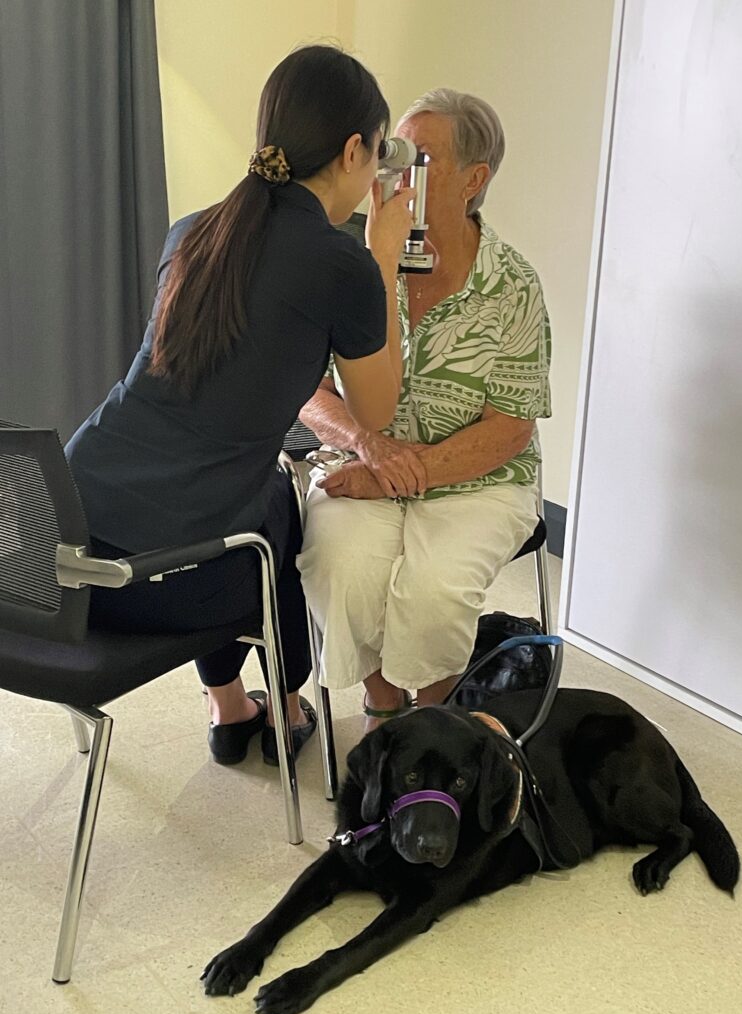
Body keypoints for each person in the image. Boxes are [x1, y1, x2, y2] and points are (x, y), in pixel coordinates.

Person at [64, 45, 414, 765]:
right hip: (150, 587)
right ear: (355, 150)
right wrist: (382, 254)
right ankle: (284, 709)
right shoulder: (341, 263)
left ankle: (229, 707)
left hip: (58, 556)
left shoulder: (193, 231)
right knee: (277, 513)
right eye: (379, 152)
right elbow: (377, 411)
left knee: (253, 498)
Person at [297, 88, 551, 728]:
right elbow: (310, 392)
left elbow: (509, 429)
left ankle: (435, 726)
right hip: (362, 461)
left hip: (478, 479)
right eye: (393, 154)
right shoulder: (350, 265)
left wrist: (394, 475)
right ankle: (384, 708)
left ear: (474, 181)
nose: (396, 174)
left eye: (422, 160)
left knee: (434, 587)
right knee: (341, 565)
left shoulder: (511, 285)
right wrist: (368, 447)